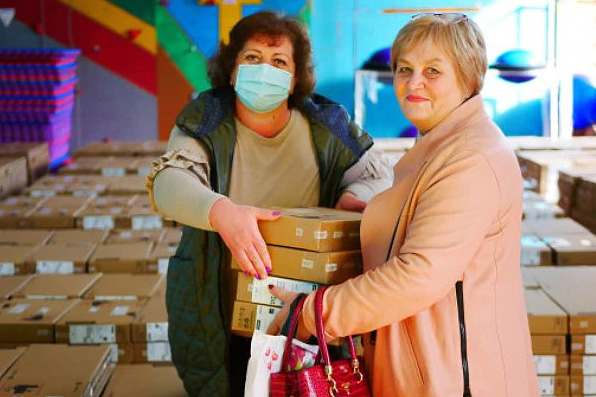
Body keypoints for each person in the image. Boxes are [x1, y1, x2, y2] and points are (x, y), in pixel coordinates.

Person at [268, 13, 540, 396]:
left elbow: (418, 275)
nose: (414, 83)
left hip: (457, 378)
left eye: (433, 70)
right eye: (404, 69)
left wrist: (315, 312)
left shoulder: (470, 159)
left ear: (468, 76)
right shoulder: (445, 143)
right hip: (428, 367)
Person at [146, 10, 391, 397]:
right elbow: (169, 183)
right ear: (231, 70)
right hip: (218, 304)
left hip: (304, 309)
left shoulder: (329, 122)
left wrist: (354, 197)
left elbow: (378, 174)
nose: (265, 70)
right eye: (252, 58)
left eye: (279, 62)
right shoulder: (205, 118)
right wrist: (221, 212)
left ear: (295, 78)